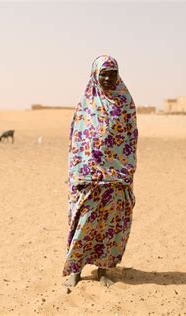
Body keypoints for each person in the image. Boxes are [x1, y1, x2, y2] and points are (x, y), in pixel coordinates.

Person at [63, 55, 138, 288]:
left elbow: (131, 138)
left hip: (116, 179)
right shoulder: (86, 104)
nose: (107, 78)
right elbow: (76, 139)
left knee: (111, 226)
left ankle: (103, 269)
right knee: (83, 223)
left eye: (112, 74)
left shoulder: (125, 103)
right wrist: (78, 173)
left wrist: (126, 171)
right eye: (103, 74)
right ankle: (75, 269)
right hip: (89, 177)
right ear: (95, 75)